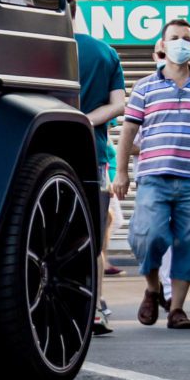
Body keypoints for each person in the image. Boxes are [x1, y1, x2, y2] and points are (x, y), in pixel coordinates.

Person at [115, 16, 190, 329]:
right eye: (174, 37)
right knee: (149, 236)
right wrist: (122, 173)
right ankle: (153, 288)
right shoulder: (144, 87)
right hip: (153, 178)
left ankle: (177, 309)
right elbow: (128, 132)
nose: (180, 43)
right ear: (162, 44)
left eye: (186, 38)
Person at [74, 17, 127, 337]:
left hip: (34, 156)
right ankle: (93, 310)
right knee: (91, 239)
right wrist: (84, 121)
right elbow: (118, 105)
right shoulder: (104, 52)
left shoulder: (34, 47)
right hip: (90, 155)